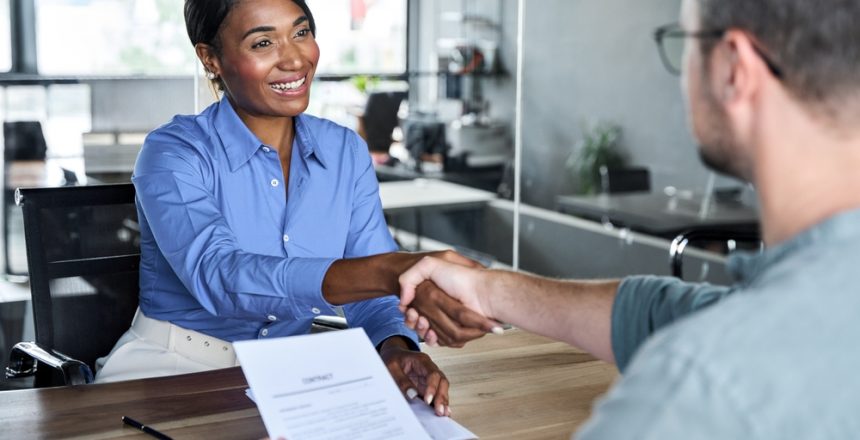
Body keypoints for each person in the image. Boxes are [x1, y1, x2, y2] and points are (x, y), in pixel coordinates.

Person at [399, 0, 860, 437]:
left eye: (686, 40)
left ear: (733, 69)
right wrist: (486, 289)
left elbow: (707, 344)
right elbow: (668, 312)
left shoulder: (699, 391)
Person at [95, 0, 485, 417]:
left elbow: (371, 296)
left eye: (301, 32)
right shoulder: (174, 152)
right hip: (171, 369)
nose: (295, 58)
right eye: (263, 42)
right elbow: (222, 277)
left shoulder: (344, 151)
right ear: (211, 59)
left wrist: (395, 346)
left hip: (290, 373)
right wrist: (390, 271)